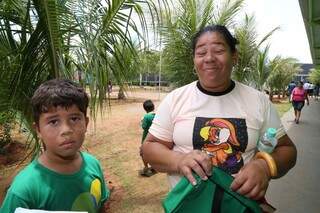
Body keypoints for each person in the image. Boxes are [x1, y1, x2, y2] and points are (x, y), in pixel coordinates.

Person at [142, 25, 297, 211]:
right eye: (201, 53)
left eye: (218, 50)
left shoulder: (258, 101)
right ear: (194, 60)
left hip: (241, 207)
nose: (209, 58)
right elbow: (149, 148)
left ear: (234, 56)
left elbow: (287, 150)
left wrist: (265, 166)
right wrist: (179, 160)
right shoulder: (176, 99)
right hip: (190, 206)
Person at [0, 79, 109, 212]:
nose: (66, 130)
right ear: (38, 130)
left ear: (86, 123)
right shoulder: (24, 190)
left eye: (74, 119)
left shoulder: (93, 165)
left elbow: (101, 207)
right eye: (53, 122)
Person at [139, 99, 156, 177]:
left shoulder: (146, 117)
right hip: (155, 138)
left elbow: (144, 126)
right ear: (153, 107)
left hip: (146, 138)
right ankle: (154, 167)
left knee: (143, 153)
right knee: (153, 152)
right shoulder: (157, 115)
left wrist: (142, 121)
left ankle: (146, 168)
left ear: (145, 109)